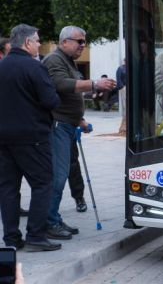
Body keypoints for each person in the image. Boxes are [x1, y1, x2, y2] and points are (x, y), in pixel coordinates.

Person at [42, 26, 116, 239]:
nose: (83, 45)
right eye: (79, 41)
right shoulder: (54, 60)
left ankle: (52, 218)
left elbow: (69, 95)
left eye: (84, 41)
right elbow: (61, 85)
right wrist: (94, 83)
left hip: (68, 125)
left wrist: (80, 120)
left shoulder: (67, 61)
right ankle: (49, 222)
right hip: (58, 126)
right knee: (58, 176)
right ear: (64, 42)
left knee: (62, 174)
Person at [0, 24, 61, 252]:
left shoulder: (2, 66)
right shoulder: (34, 68)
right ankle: (36, 235)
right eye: (36, 40)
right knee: (42, 184)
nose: (38, 44)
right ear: (26, 43)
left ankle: (11, 239)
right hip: (32, 136)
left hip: (3, 138)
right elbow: (51, 101)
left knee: (7, 188)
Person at [116, 59, 127, 135]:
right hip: (124, 88)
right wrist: (122, 87)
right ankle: (123, 127)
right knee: (125, 106)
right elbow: (118, 79)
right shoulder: (121, 68)